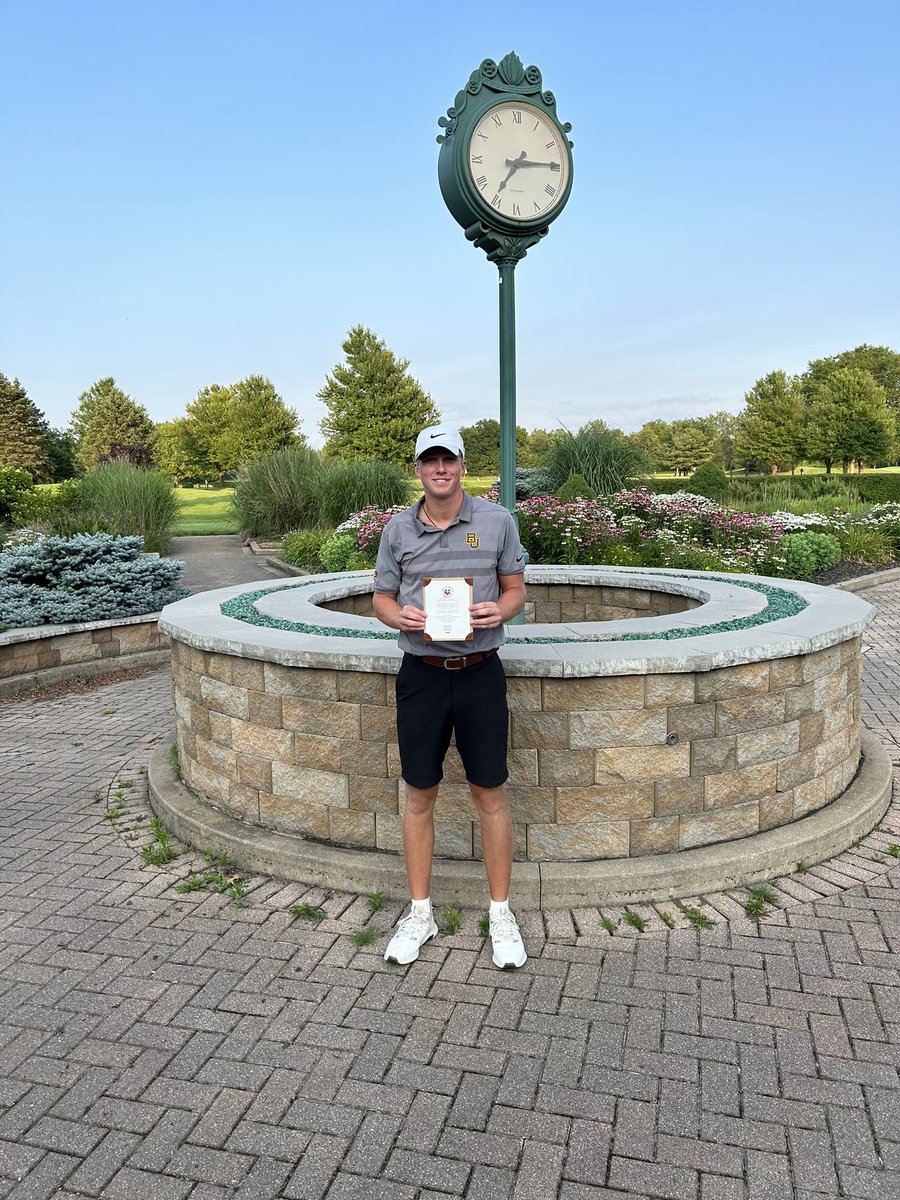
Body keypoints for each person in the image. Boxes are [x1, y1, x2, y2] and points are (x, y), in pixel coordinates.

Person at [373, 425, 527, 969]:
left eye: (448, 459)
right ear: (418, 469)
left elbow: (515, 590)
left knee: (490, 793)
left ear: (462, 465)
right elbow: (381, 598)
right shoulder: (397, 530)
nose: (440, 469)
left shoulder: (496, 521)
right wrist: (398, 616)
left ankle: (501, 913)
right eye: (429, 460)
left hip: (480, 672)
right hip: (422, 675)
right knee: (419, 794)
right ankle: (420, 913)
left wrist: (499, 610)